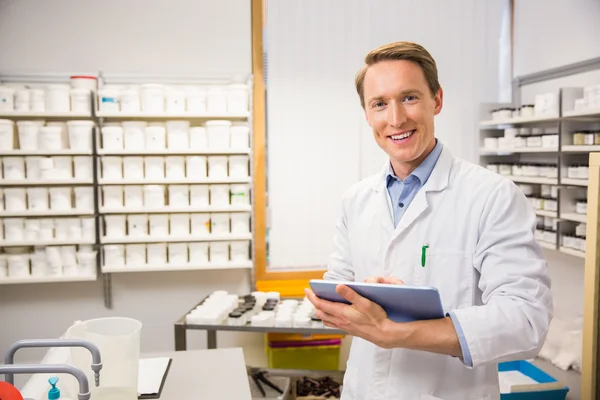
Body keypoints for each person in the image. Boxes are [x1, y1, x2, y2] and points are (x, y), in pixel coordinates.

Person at [304, 41, 553, 400]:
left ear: (436, 100)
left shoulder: (491, 196)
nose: (395, 119)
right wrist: (352, 299)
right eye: (379, 104)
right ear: (366, 113)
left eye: (409, 98)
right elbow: (336, 292)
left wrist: (399, 331)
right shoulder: (356, 200)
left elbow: (527, 320)